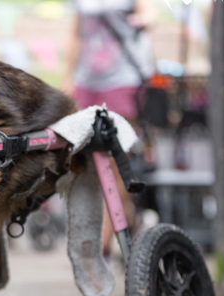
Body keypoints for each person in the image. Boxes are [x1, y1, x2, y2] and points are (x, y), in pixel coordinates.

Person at [63, 0, 157, 259]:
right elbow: (77, 33)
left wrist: (143, 20)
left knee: (115, 166)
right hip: (88, 81)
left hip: (122, 80)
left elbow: (149, 12)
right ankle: (128, 224)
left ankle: (102, 247)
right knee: (88, 165)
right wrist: (68, 77)